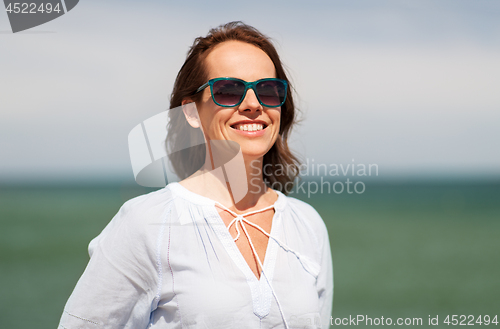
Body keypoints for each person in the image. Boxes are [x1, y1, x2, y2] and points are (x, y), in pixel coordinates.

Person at [58, 21, 333, 329]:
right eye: (229, 90)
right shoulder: (146, 224)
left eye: (268, 90)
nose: (253, 104)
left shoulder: (307, 225)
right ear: (190, 111)